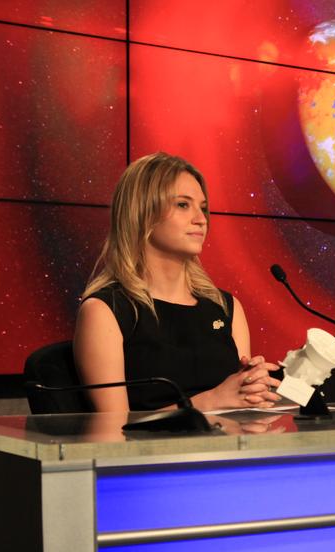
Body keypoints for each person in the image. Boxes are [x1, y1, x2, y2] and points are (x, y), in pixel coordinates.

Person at [74, 152, 281, 412]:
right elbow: (113, 433)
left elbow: (241, 412)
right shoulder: (105, 311)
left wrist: (253, 391)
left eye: (203, 207)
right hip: (151, 454)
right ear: (142, 212)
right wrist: (210, 401)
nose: (201, 219)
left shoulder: (226, 308)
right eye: (183, 205)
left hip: (227, 450)